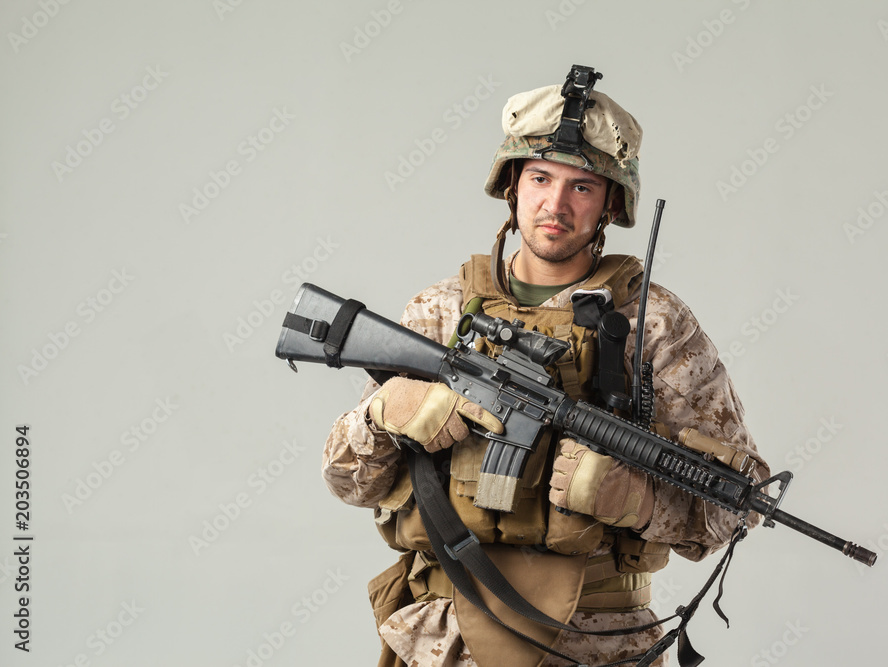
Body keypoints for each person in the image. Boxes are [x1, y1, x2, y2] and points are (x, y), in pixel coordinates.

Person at [322, 65, 769, 667]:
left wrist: (639, 502)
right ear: (512, 186)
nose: (555, 204)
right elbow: (349, 481)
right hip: (442, 640)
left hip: (599, 644)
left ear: (611, 202)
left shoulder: (654, 323)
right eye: (539, 178)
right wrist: (381, 415)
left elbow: (736, 505)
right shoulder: (443, 309)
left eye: (581, 187)